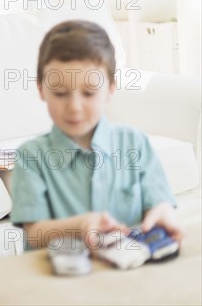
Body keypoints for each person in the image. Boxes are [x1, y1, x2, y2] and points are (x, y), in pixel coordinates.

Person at [10, 20, 184, 250]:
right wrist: (80, 225)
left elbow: (159, 203)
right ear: (41, 89)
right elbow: (34, 233)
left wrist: (161, 214)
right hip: (63, 275)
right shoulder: (30, 155)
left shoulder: (135, 143)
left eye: (89, 93)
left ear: (110, 89)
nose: (74, 107)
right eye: (60, 93)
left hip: (127, 269)